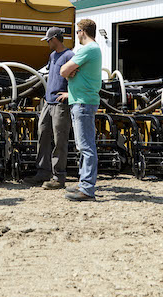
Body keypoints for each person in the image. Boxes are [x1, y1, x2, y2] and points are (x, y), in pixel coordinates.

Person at [25, 27, 74, 189]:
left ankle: (58, 177)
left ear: (54, 39)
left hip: (61, 104)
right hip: (48, 101)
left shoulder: (69, 56)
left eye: (47, 40)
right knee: (43, 134)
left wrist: (69, 93)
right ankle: (43, 172)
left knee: (60, 139)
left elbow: (77, 77)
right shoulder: (53, 56)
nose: (47, 43)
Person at [59, 18, 102, 201]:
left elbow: (63, 71)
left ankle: (87, 189)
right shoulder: (93, 50)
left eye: (77, 31)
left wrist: (69, 73)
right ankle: (84, 184)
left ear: (82, 32)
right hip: (82, 100)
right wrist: (72, 75)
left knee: (86, 147)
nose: (76, 35)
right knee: (84, 146)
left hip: (82, 103)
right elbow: (70, 72)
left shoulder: (88, 49)